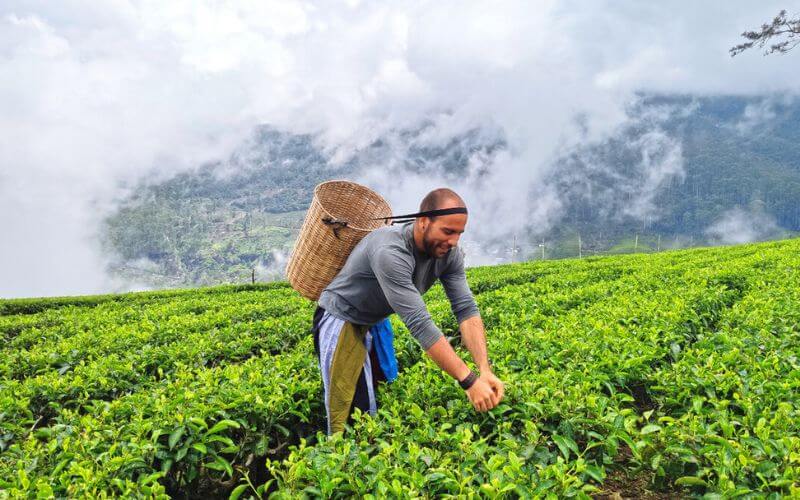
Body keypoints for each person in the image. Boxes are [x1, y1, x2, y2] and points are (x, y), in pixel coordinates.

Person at [313, 187, 504, 435]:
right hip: (341, 319)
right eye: (448, 231)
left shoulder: (450, 254)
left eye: (459, 233)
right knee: (352, 415)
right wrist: (468, 382)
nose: (454, 241)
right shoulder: (390, 252)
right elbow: (420, 324)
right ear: (423, 222)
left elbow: (466, 309)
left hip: (375, 321)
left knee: (379, 399)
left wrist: (484, 370)